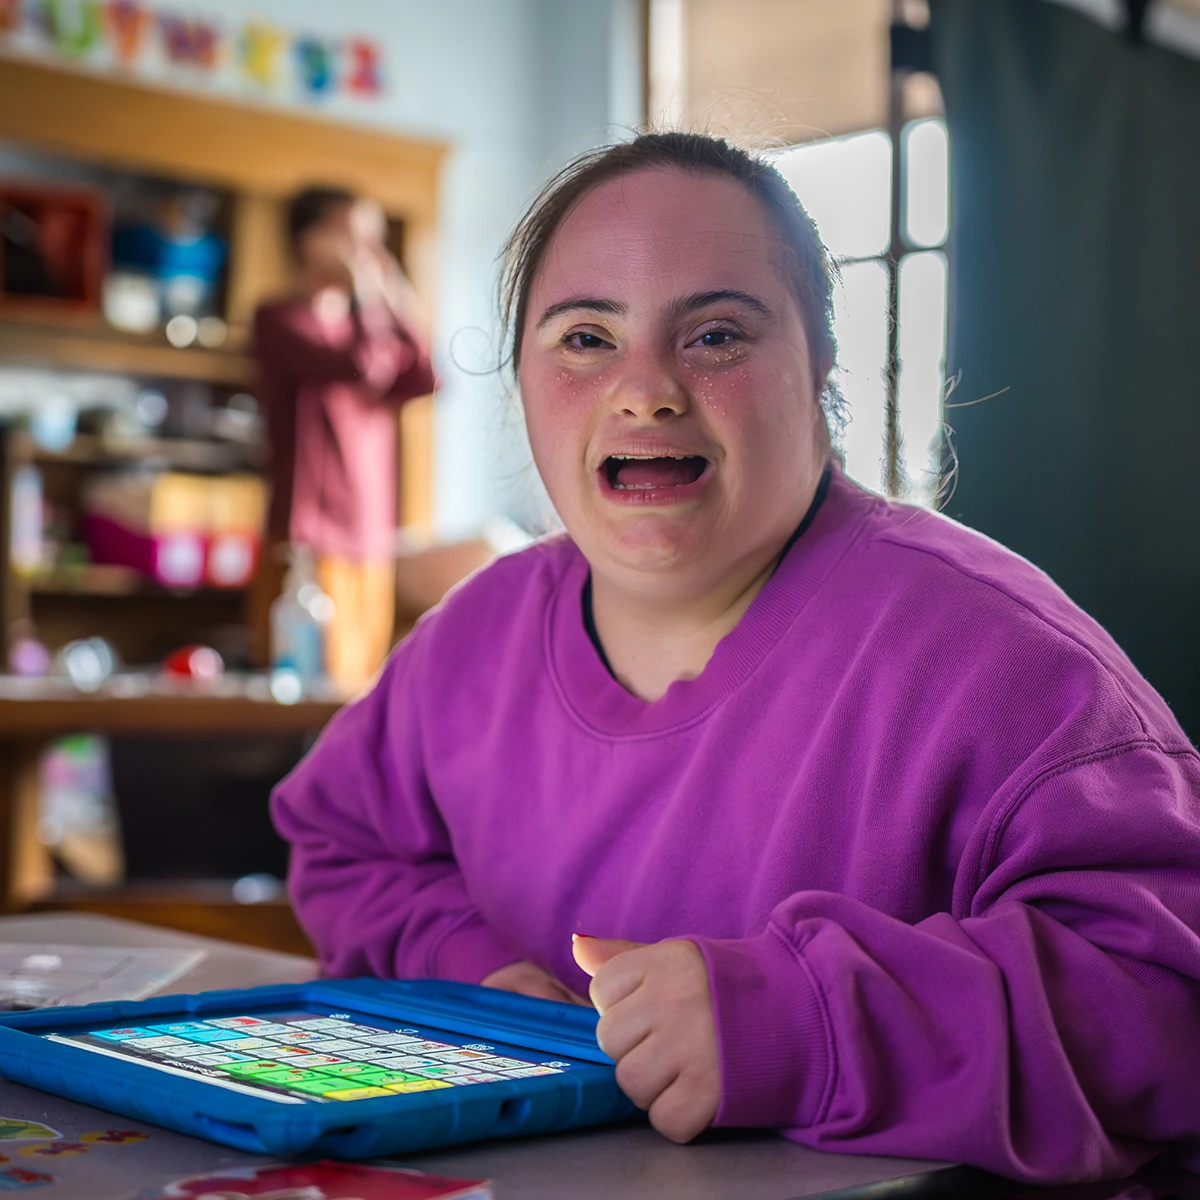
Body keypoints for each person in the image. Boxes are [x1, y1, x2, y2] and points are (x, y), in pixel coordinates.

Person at [271, 134, 1200, 1183]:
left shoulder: (1004, 664)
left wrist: (802, 1024)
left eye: (716, 335)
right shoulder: (465, 643)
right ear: (521, 378)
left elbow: (1168, 997)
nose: (647, 389)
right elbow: (345, 843)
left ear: (820, 369)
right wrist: (466, 968)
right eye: (585, 336)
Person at [253, 186, 435, 690]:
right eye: (357, 240)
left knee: (360, 693)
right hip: (310, 538)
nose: (372, 257)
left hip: (369, 535)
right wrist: (366, 296)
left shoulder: (371, 322)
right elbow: (362, 368)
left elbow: (425, 376)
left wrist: (396, 295)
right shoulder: (280, 319)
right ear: (310, 243)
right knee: (309, 697)